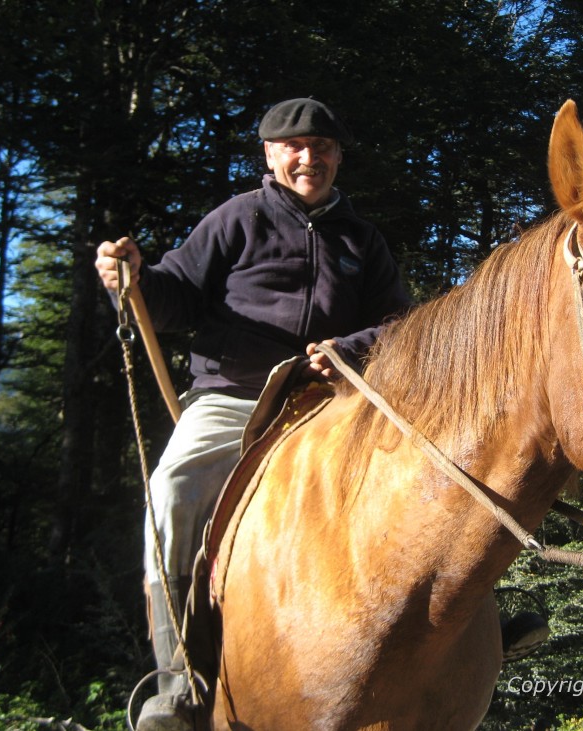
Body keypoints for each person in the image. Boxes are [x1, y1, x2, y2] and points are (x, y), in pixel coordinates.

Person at [95, 98, 411, 731]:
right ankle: (176, 685)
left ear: (338, 157)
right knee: (172, 492)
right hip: (233, 396)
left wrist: (350, 349)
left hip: (330, 402)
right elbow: (175, 296)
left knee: (432, 469)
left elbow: (401, 325)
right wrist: (133, 279)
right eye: (295, 147)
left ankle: (480, 624)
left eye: (322, 147)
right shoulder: (237, 219)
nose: (309, 157)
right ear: (270, 154)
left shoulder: (362, 240)